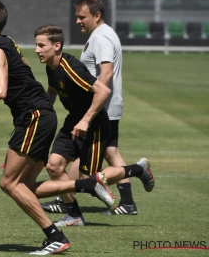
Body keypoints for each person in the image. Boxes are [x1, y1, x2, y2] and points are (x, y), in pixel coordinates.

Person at [0, 0, 118, 255]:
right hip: (44, 115)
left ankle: (55, 235)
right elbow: (22, 71)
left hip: (32, 117)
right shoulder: (7, 42)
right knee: (27, 187)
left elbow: (2, 90)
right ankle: (88, 184)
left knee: (8, 184)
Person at [34, 24, 154, 228]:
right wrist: (42, 113)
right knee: (54, 166)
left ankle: (139, 169)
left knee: (87, 179)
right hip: (74, 121)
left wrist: (86, 120)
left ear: (56, 46)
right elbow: (53, 90)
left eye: (40, 45)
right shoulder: (51, 67)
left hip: (94, 124)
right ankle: (74, 216)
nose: (37, 50)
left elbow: (103, 92)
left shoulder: (72, 68)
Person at [41, 0, 139, 218]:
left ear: (97, 15)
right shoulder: (100, 35)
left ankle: (136, 174)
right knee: (108, 152)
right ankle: (127, 201)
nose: (77, 21)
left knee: (89, 165)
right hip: (96, 108)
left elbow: (105, 74)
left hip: (98, 109)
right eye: (77, 16)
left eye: (81, 17)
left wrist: (90, 111)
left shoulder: (102, 37)